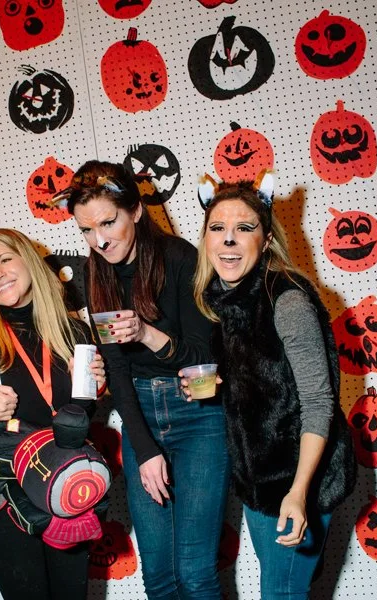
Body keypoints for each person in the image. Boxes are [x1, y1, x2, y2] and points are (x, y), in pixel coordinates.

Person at [59, 160, 230, 600]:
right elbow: (118, 372)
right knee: (158, 577)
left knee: (195, 573)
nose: (99, 240)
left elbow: (205, 357)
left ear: (135, 210)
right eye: (86, 229)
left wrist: (146, 334)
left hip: (198, 414)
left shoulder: (180, 257)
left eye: (108, 222)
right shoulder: (97, 272)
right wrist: (146, 448)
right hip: (141, 414)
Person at [189, 172, 357, 600]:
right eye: (217, 228)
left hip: (299, 479)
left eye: (243, 228)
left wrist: (298, 493)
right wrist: (215, 389)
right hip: (259, 482)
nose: (229, 239)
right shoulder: (222, 302)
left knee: (281, 593)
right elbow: (264, 384)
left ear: (265, 241)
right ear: (206, 239)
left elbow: (318, 403)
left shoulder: (288, 300)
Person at [0, 228, 107, 600]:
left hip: (64, 489)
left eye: (5, 259)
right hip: (4, 496)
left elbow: (79, 415)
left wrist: (93, 389)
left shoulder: (73, 331)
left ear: (29, 261)